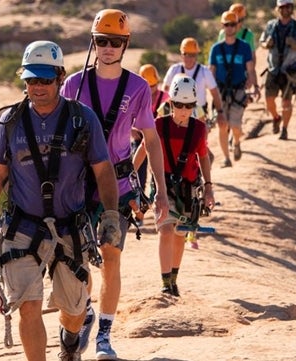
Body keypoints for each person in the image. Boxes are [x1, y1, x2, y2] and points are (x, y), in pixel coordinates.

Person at [0, 40, 121, 361]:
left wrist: (110, 216)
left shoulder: (83, 119)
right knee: (29, 306)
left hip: (70, 227)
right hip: (22, 226)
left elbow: (103, 170)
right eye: (31, 79)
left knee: (74, 308)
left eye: (45, 80)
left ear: (61, 78)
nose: (37, 87)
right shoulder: (10, 121)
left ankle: (70, 340)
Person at [61, 9, 169, 360]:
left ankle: (104, 335)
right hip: (78, 188)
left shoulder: (137, 88)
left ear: (125, 45)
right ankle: (86, 311)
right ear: (93, 42)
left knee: (111, 259)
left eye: (115, 42)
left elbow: (151, 140)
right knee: (78, 264)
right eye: (101, 41)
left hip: (118, 189)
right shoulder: (73, 85)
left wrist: (162, 192)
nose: (107, 48)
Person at [134, 75, 215, 296]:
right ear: (170, 104)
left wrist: (209, 187)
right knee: (166, 230)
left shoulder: (198, 129)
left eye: (188, 106)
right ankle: (164, 282)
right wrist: (130, 176)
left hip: (187, 190)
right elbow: (143, 149)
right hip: (163, 186)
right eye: (179, 105)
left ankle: (173, 279)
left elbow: (204, 157)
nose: (183, 110)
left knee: (180, 234)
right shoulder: (159, 125)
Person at [162, 37, 226, 170]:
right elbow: (165, 92)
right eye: (186, 54)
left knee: (198, 144)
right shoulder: (174, 70)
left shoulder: (204, 72)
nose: (189, 58)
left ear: (197, 55)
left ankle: (200, 172)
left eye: (193, 55)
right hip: (177, 109)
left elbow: (215, 93)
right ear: (182, 54)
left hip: (199, 112)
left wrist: (220, 112)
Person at [209, 10, 257, 168]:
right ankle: (226, 158)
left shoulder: (244, 47)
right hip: (221, 92)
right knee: (223, 126)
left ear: (237, 26)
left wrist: (255, 85)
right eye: (226, 25)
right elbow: (212, 72)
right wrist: (211, 94)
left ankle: (236, 142)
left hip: (238, 91)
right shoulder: (216, 49)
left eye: (232, 25)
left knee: (235, 126)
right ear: (222, 26)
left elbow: (250, 69)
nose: (229, 28)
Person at [259, 0, 296, 140]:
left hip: (290, 71)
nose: (285, 10)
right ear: (278, 9)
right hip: (273, 69)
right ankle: (276, 117)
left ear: (292, 8)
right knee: (269, 101)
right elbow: (262, 42)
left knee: (286, 103)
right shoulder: (271, 26)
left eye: (287, 7)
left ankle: (284, 129)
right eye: (282, 7)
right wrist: (267, 44)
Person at [133, 64, 170, 192]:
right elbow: (125, 117)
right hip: (139, 139)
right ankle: (139, 196)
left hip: (159, 141)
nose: (151, 89)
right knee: (138, 174)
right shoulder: (136, 98)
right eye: (148, 86)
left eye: (153, 85)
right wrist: (131, 130)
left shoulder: (165, 98)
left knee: (159, 171)